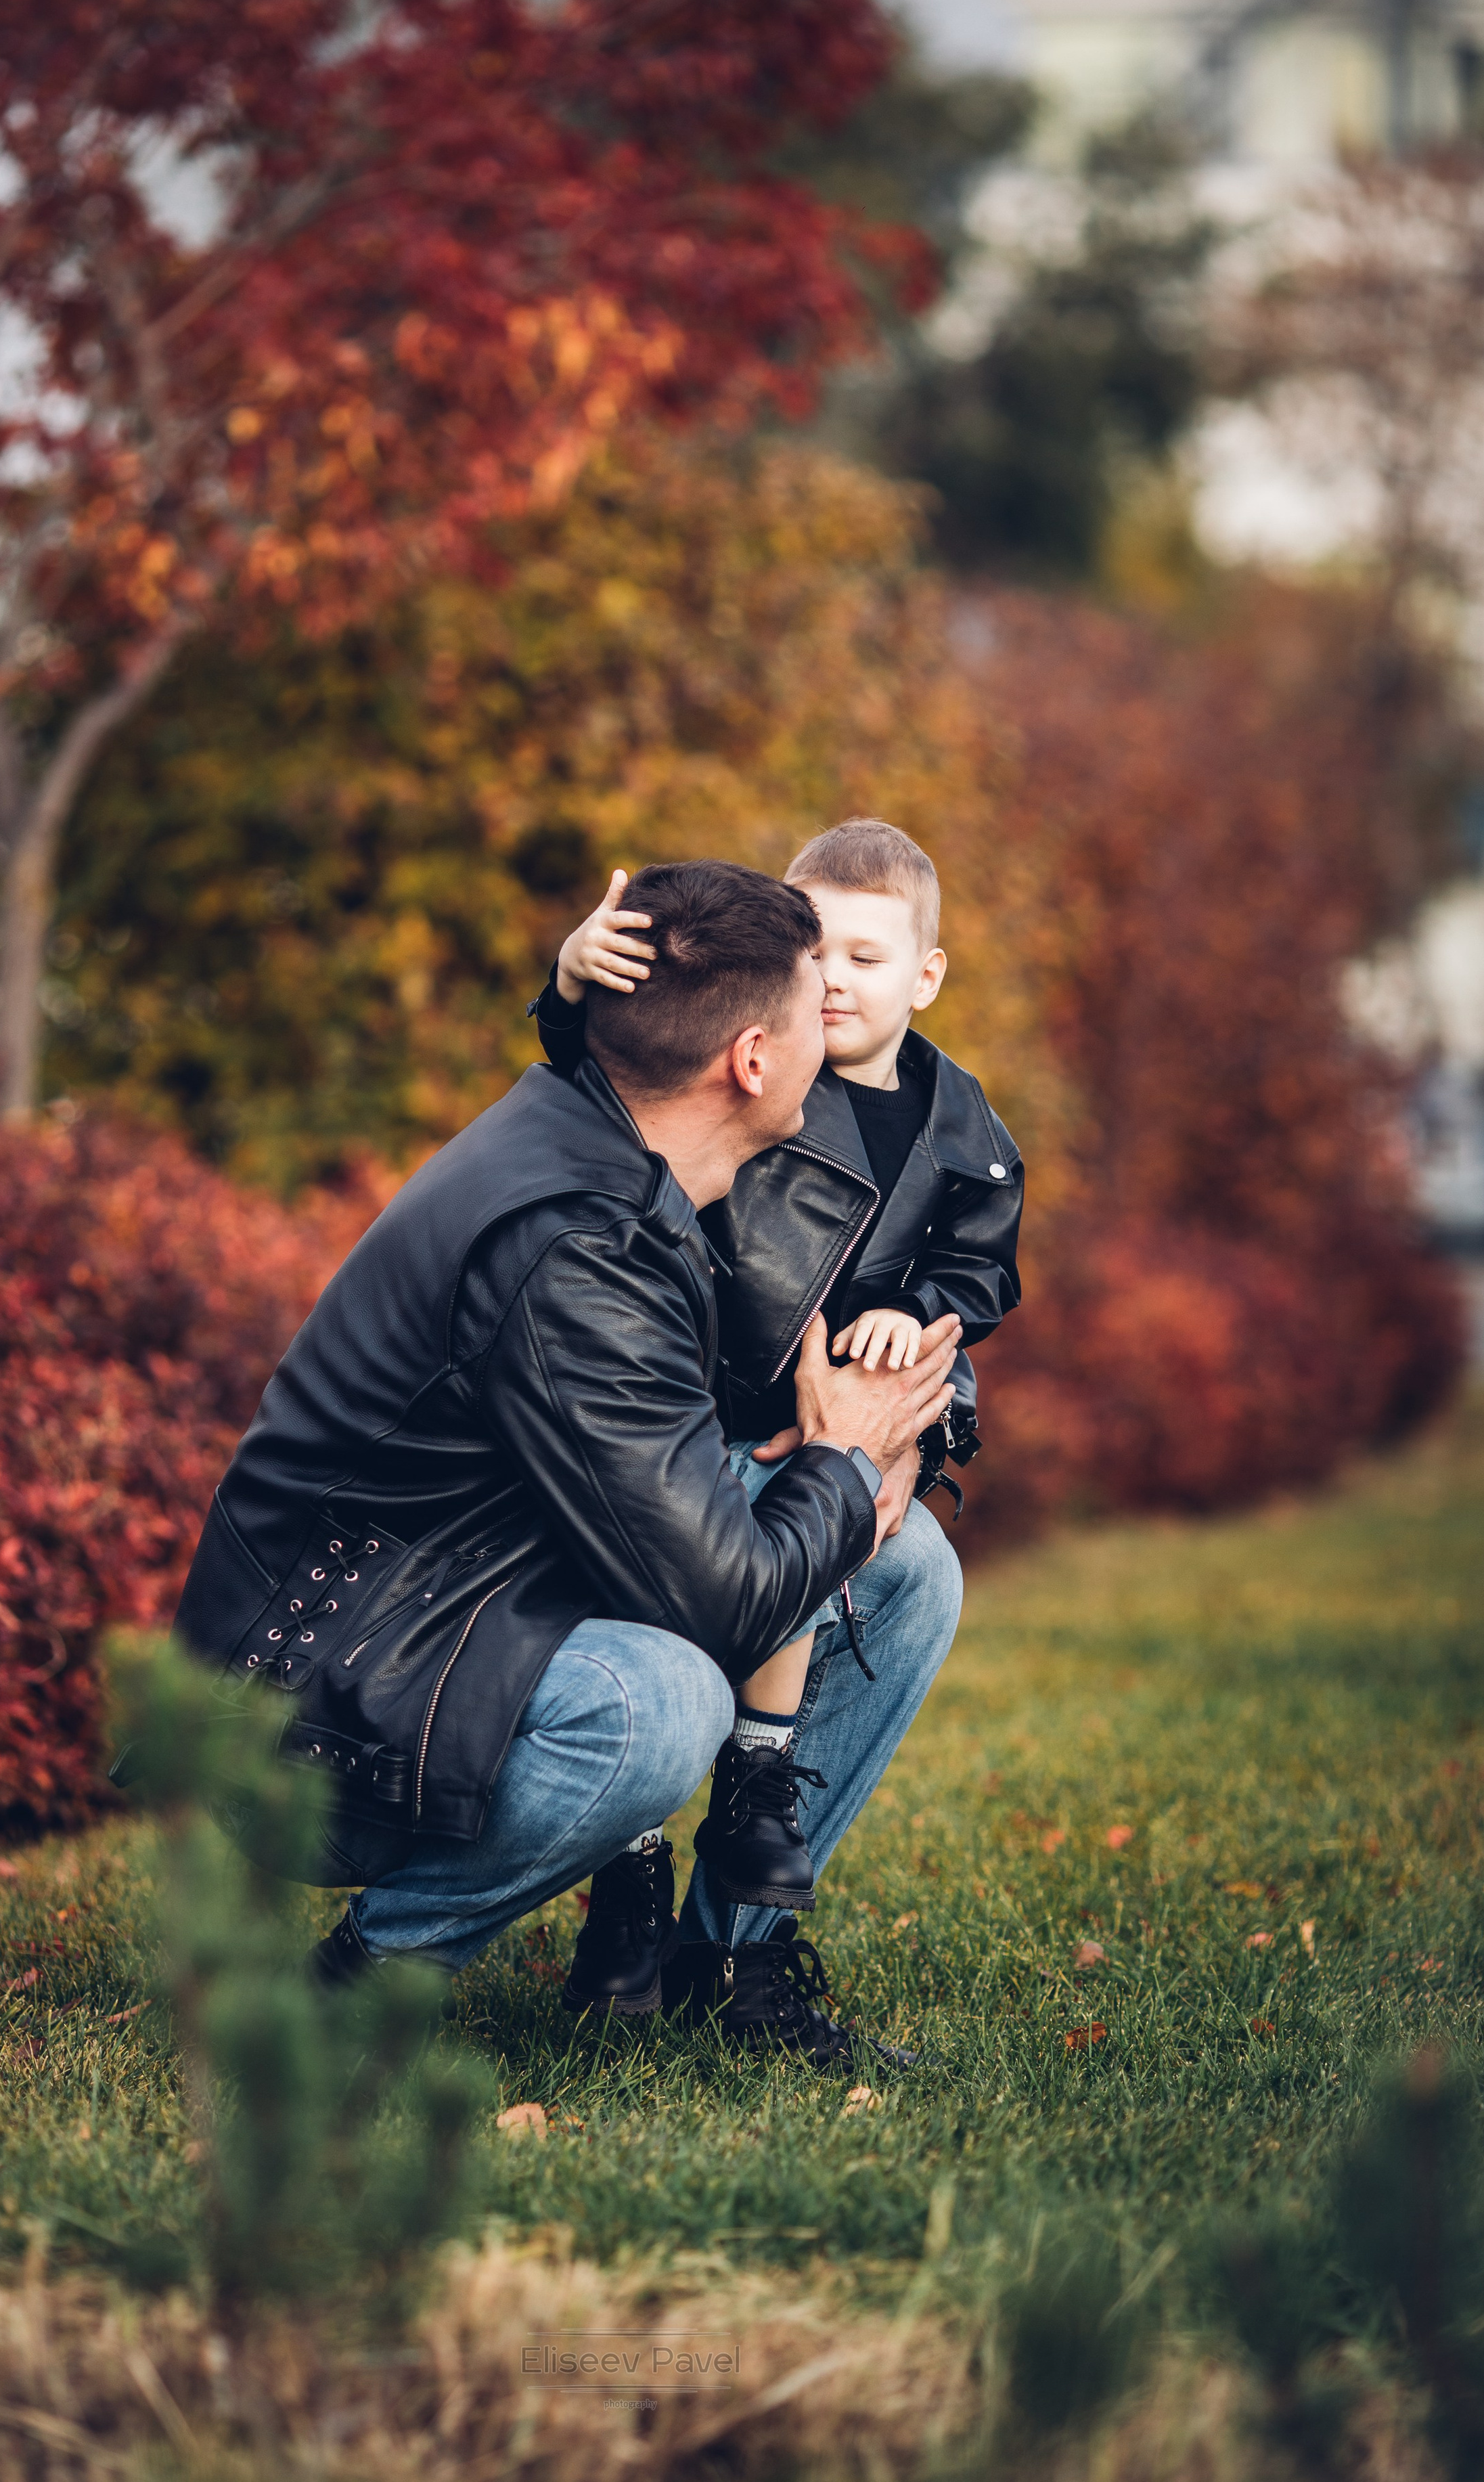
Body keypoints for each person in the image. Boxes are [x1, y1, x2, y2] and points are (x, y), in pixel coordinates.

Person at [172, 859, 963, 2067]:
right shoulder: (573, 1248)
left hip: (467, 1597)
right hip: (311, 1688)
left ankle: (727, 1969)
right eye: (814, 1009)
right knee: (660, 1703)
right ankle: (364, 1982)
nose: (836, 1033)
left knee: (905, 1570)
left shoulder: (607, 1134)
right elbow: (723, 1598)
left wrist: (867, 1470)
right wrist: (847, 1458)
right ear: (752, 1060)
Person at [531, 820, 1021, 1968]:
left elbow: (983, 1262)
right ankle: (635, 1871)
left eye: (868, 956)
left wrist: (927, 1352)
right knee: (689, 1576)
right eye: (816, 955)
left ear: (928, 975)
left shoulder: (964, 1124)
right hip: (699, 1407)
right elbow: (598, 1088)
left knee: (852, 1538)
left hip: (833, 1410)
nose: (836, 980)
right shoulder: (743, 1065)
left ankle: (744, 1884)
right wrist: (568, 983)